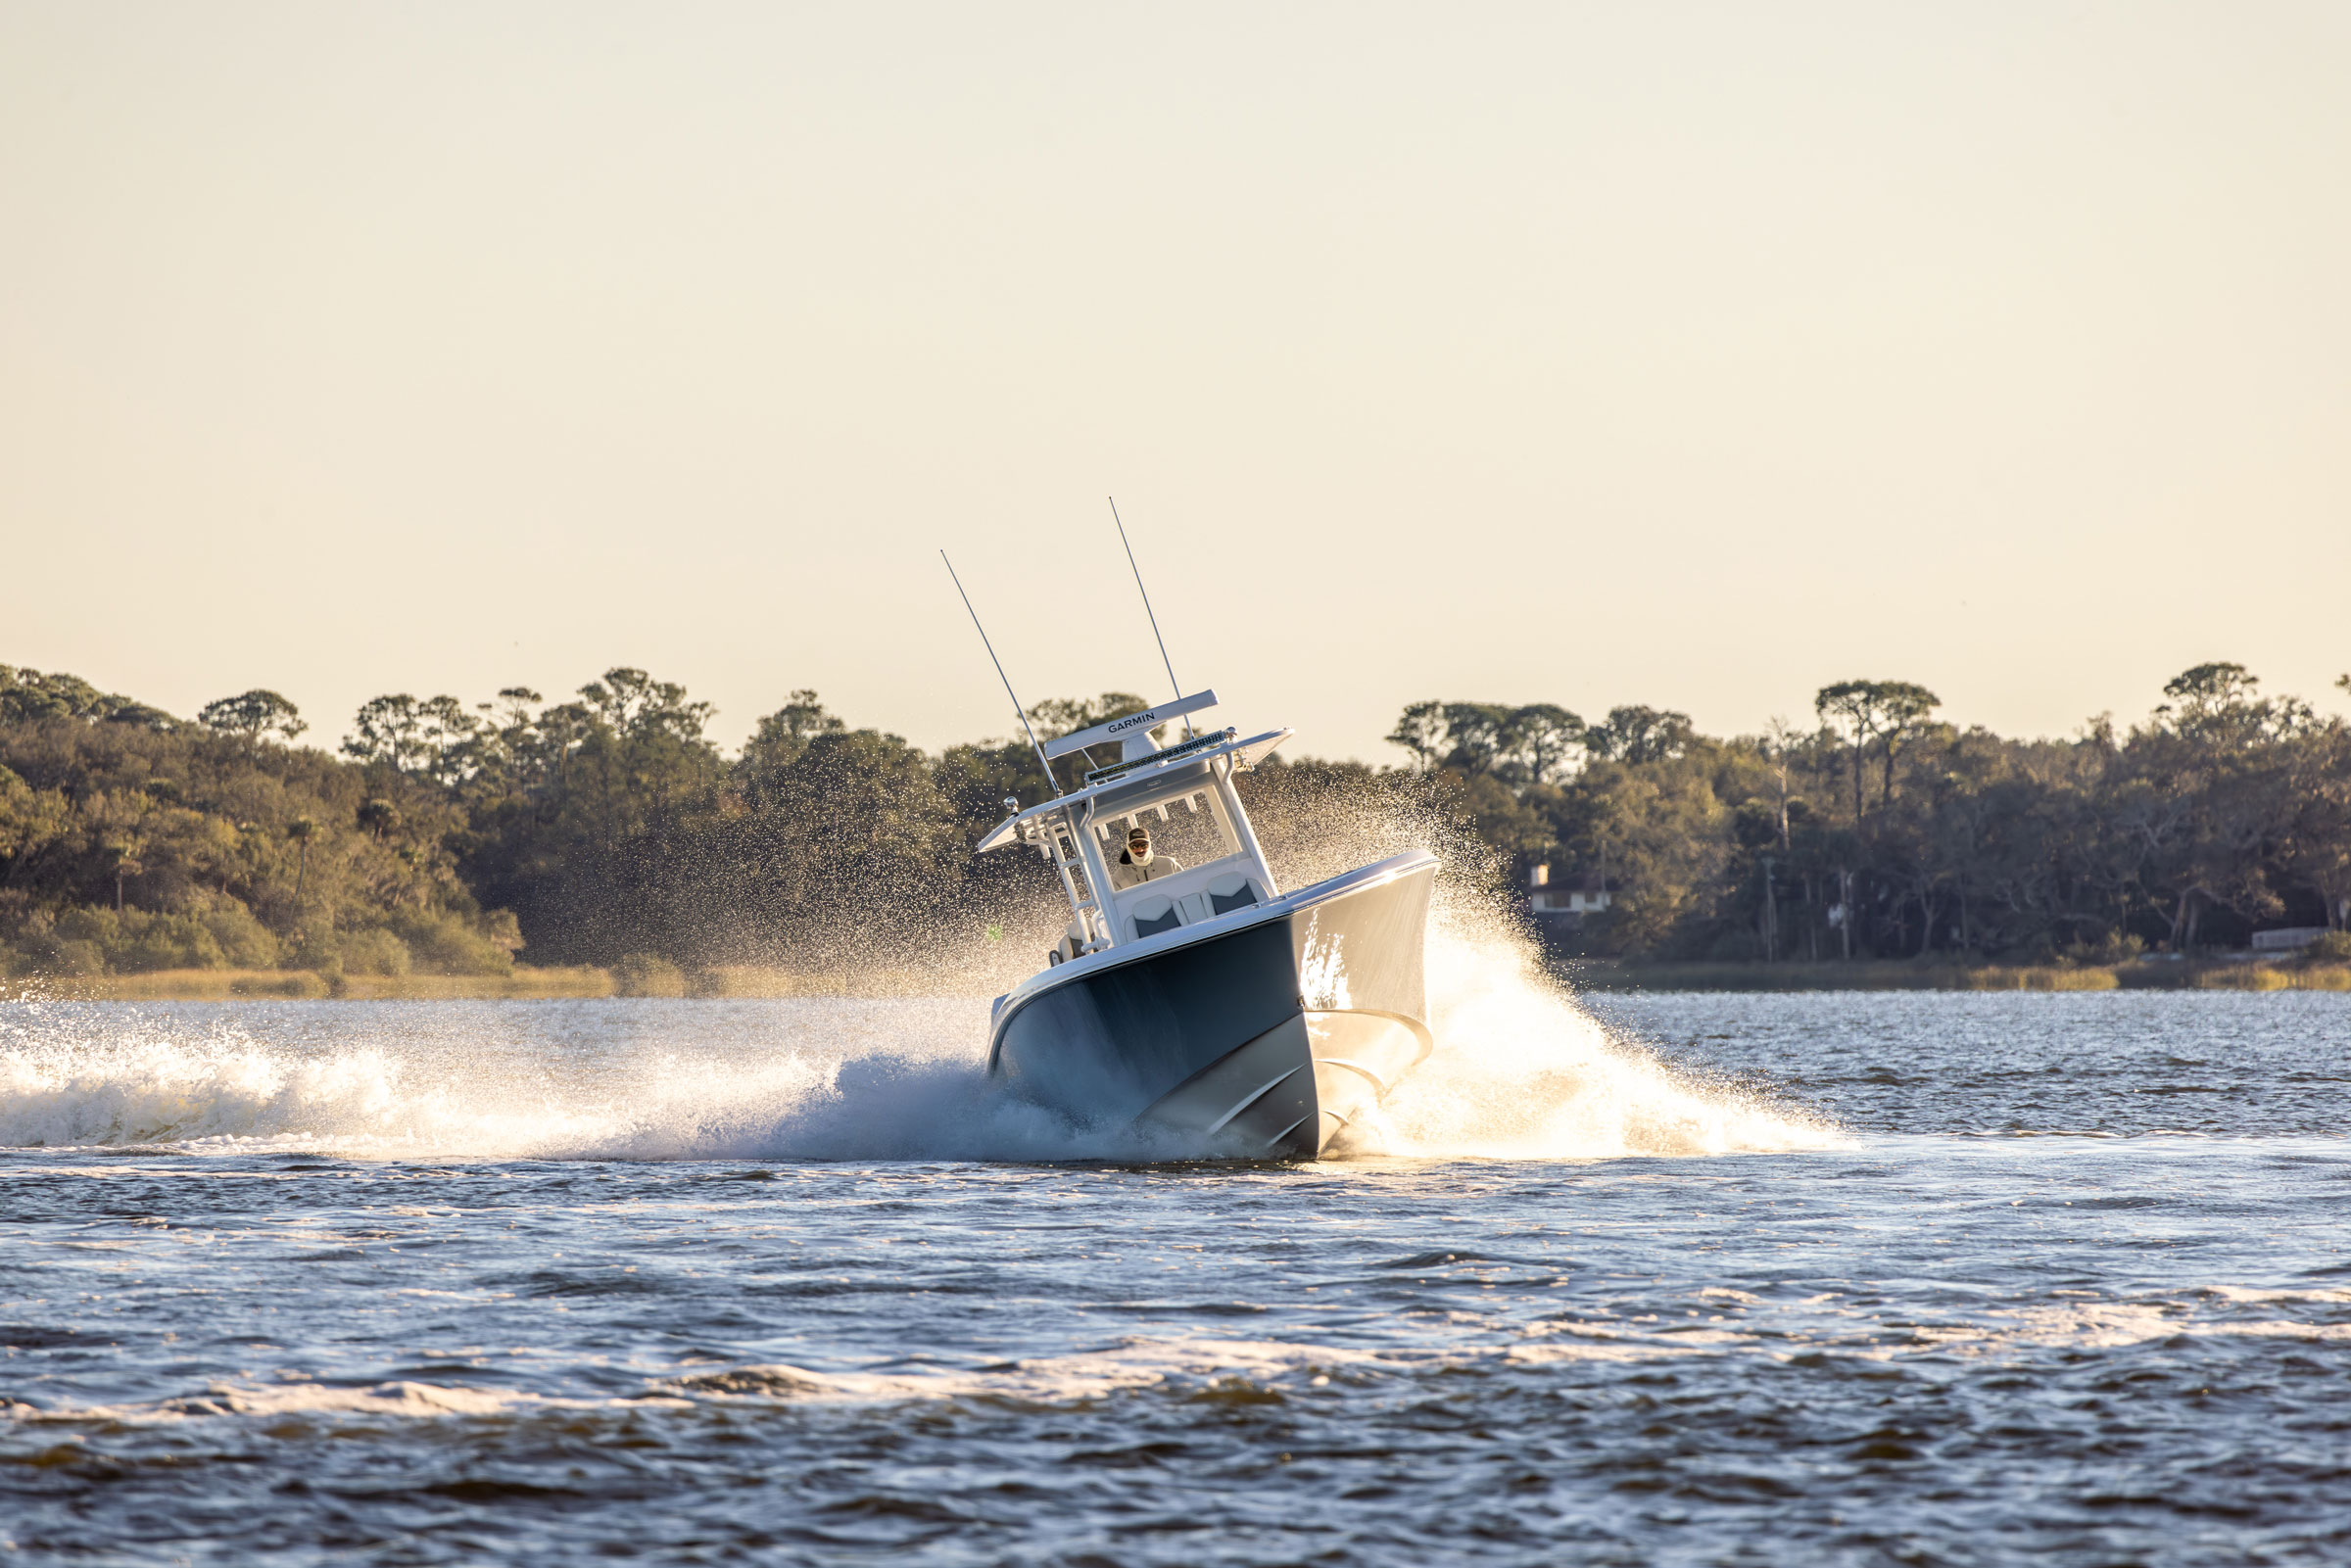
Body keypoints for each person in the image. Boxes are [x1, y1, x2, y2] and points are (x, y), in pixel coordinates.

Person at [1110, 824, 1182, 888]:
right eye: (1134, 846)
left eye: (1144, 845)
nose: (1140, 850)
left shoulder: (1169, 865)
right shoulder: (1119, 878)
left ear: (1150, 845)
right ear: (1128, 848)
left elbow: (1186, 886)